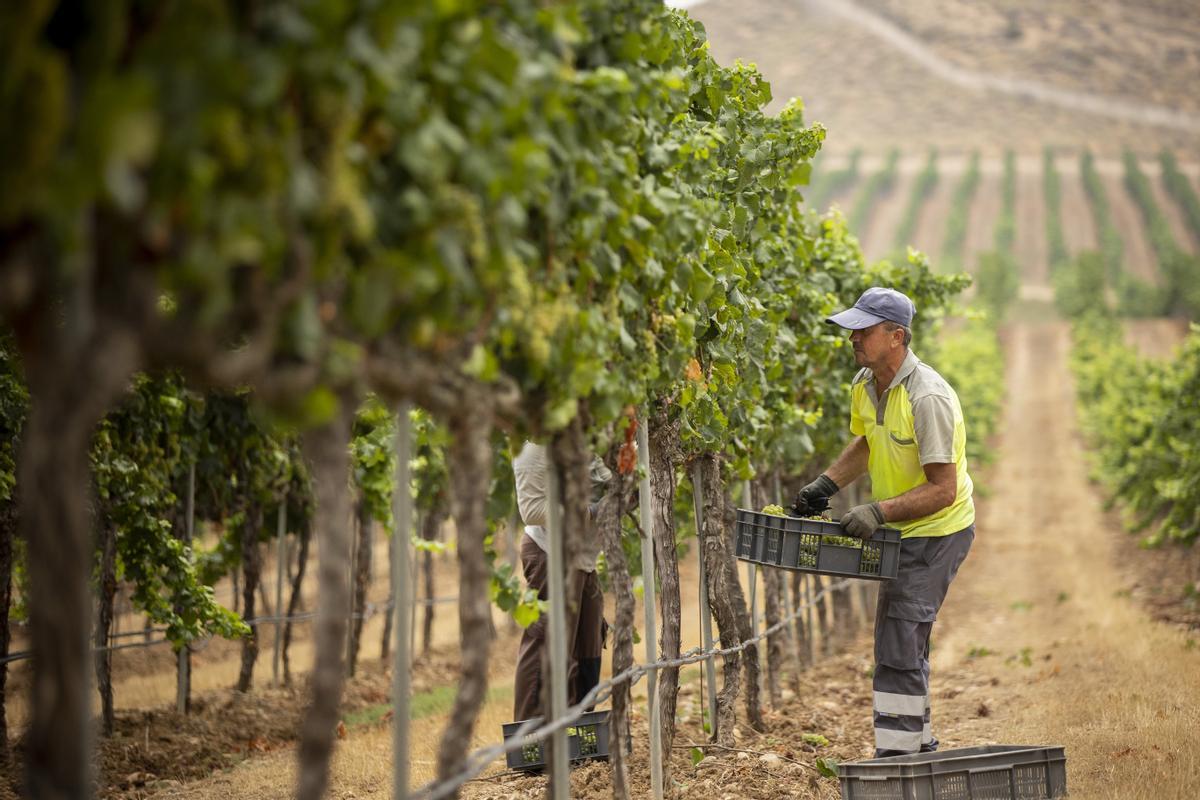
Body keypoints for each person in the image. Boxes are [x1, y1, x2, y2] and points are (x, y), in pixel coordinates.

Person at [792, 287, 975, 758]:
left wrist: (879, 511)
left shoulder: (927, 396)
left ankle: (898, 758)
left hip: (936, 532)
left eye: (864, 329)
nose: (853, 337)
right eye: (852, 328)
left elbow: (943, 489)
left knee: (898, 641)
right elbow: (868, 442)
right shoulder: (865, 382)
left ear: (896, 336)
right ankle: (918, 745)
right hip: (902, 534)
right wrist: (826, 485)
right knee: (901, 638)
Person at [511, 441, 611, 722]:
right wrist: (589, 513)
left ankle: (578, 725)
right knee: (547, 640)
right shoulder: (532, 448)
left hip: (583, 556)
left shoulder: (592, 443)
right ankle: (531, 734)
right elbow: (531, 510)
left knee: (588, 642)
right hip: (549, 552)